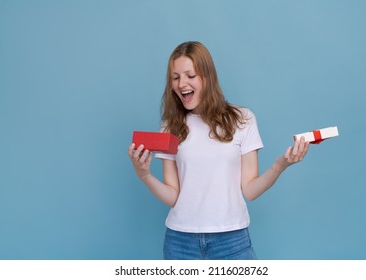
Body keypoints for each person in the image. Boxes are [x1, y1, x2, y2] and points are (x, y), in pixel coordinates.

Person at [128, 41, 309, 260]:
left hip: (232, 242)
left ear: (207, 76)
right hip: (180, 242)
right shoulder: (170, 126)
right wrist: (144, 175)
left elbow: (250, 190)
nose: (181, 83)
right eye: (175, 77)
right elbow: (173, 195)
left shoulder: (243, 119)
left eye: (190, 75)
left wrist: (281, 165)